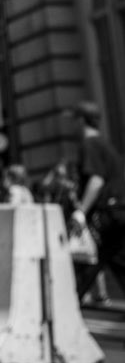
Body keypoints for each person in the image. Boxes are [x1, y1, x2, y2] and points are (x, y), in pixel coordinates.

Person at [76, 102, 125, 306]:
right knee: (120, 264)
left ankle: (60, 318)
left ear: (80, 120)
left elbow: (96, 180)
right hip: (119, 212)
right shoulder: (105, 144)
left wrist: (81, 211)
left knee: (83, 267)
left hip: (105, 216)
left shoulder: (89, 144)